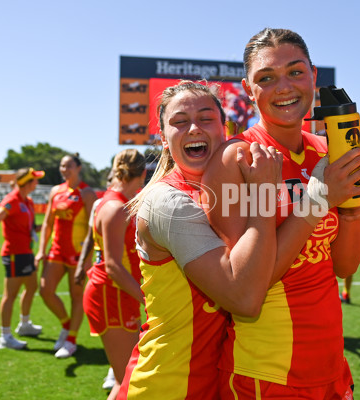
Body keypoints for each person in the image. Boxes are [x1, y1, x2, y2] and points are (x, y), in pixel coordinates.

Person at [202, 28, 360, 399]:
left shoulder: (329, 150)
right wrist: (318, 201)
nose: (283, 87)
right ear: (249, 90)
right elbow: (248, 287)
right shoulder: (237, 158)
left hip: (331, 369)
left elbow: (344, 268)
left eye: (295, 72)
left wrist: (352, 207)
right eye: (266, 78)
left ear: (314, 76)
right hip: (266, 375)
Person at [117, 80, 285, 400]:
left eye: (206, 118)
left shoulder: (226, 191)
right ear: (164, 140)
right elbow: (244, 298)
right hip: (169, 384)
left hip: (214, 380)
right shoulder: (168, 202)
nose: (193, 128)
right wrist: (310, 199)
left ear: (225, 129)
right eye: (179, 122)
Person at [79, 149, 146, 400]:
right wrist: (148, 299)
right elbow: (113, 266)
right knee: (125, 381)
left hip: (118, 292)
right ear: (143, 174)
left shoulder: (115, 201)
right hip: (111, 294)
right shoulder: (116, 207)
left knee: (131, 376)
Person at [35, 153, 97, 358]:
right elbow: (47, 223)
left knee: (76, 296)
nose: (64, 169)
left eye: (68, 165)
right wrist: (41, 250)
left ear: (78, 168)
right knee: (45, 290)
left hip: (78, 254)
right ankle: (66, 324)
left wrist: (88, 256)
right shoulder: (55, 191)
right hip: (56, 251)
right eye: (62, 165)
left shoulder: (87, 193)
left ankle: (71, 339)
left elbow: (94, 227)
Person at [0, 167, 45, 350]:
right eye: (35, 180)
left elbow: (28, 227)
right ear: (27, 182)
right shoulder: (12, 199)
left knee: (31, 286)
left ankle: (24, 324)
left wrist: (41, 227)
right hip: (14, 254)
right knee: (10, 295)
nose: (37, 182)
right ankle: (4, 336)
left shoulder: (27, 201)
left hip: (26, 252)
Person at [74, 169, 115, 392]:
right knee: (111, 328)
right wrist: (82, 264)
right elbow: (90, 237)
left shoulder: (133, 202)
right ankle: (115, 368)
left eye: (114, 178)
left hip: (129, 274)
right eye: (108, 180)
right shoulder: (101, 204)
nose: (111, 183)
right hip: (108, 275)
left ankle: (117, 369)